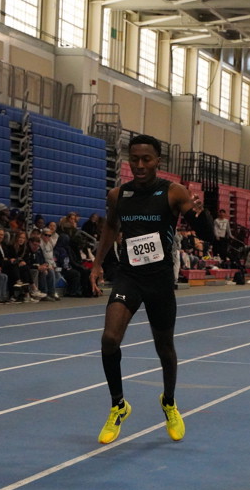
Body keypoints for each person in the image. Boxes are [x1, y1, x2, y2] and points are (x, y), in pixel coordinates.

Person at [89, 134, 210, 445]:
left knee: (164, 348)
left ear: (158, 161)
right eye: (135, 159)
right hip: (129, 276)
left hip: (159, 280)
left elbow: (205, 231)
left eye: (146, 159)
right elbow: (111, 227)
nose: (140, 165)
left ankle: (169, 402)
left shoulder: (173, 192)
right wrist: (97, 264)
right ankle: (118, 405)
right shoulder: (118, 194)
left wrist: (200, 213)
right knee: (109, 339)